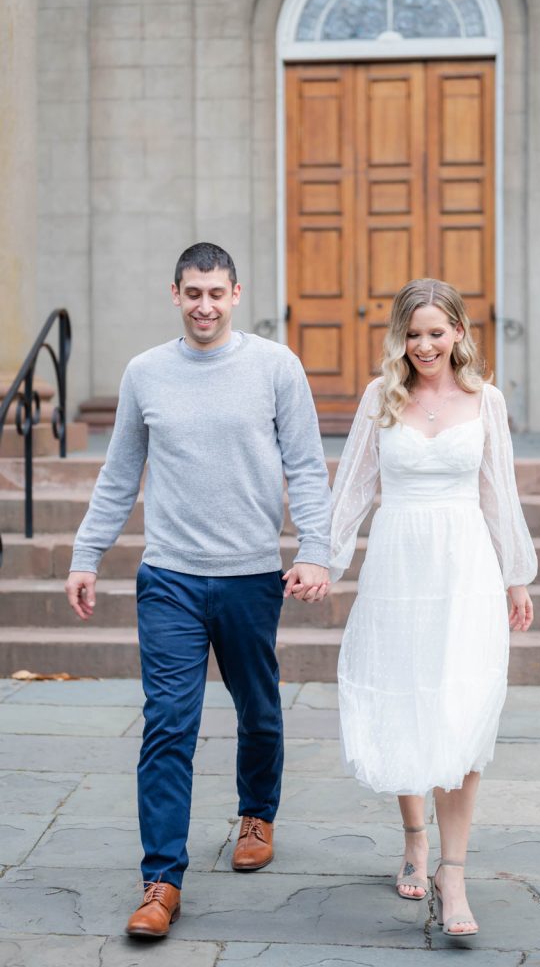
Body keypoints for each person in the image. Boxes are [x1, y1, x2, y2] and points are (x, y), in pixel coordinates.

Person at [65, 242, 331, 939]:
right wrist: (86, 555)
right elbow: (120, 472)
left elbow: (306, 466)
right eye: (193, 294)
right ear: (175, 294)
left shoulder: (276, 366)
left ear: (236, 294)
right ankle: (161, 880)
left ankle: (257, 814)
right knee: (168, 725)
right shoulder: (146, 373)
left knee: (259, 706)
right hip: (171, 577)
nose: (205, 305)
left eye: (217, 293)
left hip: (250, 575)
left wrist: (317, 550)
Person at [329, 278, 536, 940]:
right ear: (401, 336)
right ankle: (414, 835)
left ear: (458, 333)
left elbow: (498, 491)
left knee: (461, 710)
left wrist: (517, 577)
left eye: (436, 333)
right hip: (398, 565)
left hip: (465, 566)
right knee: (405, 699)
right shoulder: (379, 396)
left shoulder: (486, 400)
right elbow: (353, 487)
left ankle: (453, 872)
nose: (424, 346)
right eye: (413, 334)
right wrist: (323, 561)